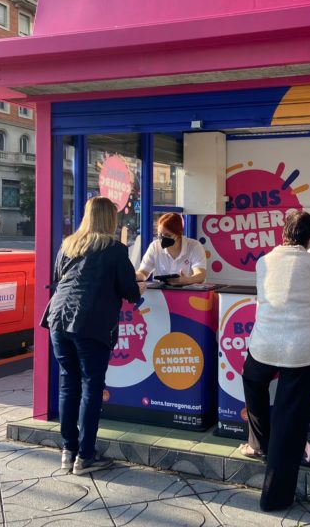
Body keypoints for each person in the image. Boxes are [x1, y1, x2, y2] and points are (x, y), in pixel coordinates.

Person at [240, 210, 310, 512]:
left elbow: (266, 298)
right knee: (289, 419)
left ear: (283, 233)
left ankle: (259, 443)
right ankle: (276, 497)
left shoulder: (264, 260)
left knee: (252, 379)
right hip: (303, 351)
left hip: (264, 344)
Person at [46, 196, 146, 475]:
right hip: (90, 322)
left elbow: (58, 277)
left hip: (58, 319)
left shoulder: (68, 245)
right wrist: (142, 288)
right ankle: (86, 456)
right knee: (91, 387)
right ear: (110, 219)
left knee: (69, 384)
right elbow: (130, 291)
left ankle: (69, 452)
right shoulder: (114, 249)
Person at [135, 213, 206, 285]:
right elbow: (143, 272)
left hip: (189, 293)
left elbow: (201, 275)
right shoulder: (155, 246)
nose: (162, 238)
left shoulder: (194, 246)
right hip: (164, 294)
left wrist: (186, 280)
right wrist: (135, 276)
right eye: (159, 234)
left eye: (167, 235)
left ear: (179, 234)